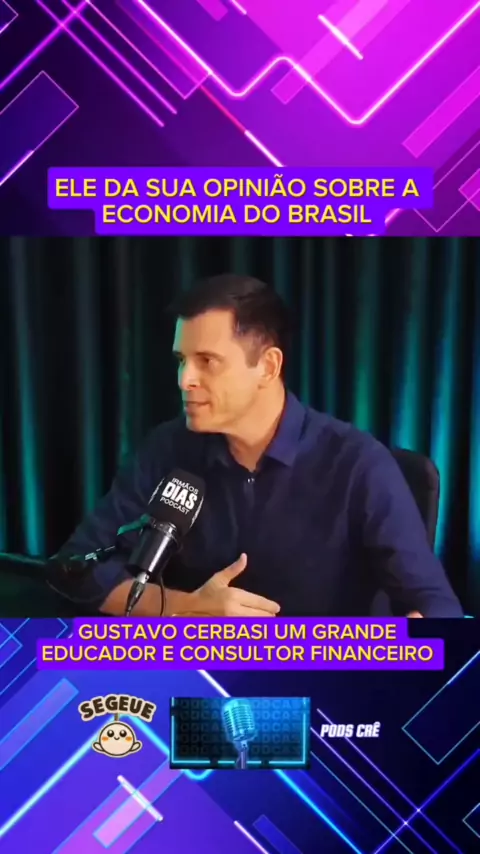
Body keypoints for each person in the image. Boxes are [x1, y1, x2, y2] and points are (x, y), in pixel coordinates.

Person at [57, 274, 463, 618]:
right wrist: (186, 609)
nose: (184, 380)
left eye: (207, 361)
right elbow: (76, 570)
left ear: (267, 367)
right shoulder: (167, 449)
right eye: (182, 360)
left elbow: (436, 608)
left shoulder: (359, 465)